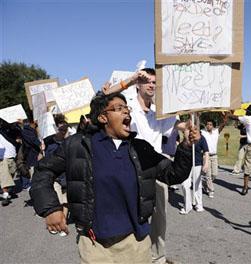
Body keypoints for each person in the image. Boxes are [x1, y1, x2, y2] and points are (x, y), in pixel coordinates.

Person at [30, 92, 199, 263]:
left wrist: (186, 146)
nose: (127, 112)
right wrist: (50, 209)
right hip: (94, 245)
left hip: (136, 244)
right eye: (120, 108)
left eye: (127, 108)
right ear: (103, 117)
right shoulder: (77, 145)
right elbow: (43, 172)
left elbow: (173, 174)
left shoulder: (141, 148)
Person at [103, 68, 185, 264]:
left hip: (156, 167)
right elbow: (106, 97)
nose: (151, 85)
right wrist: (131, 78)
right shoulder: (127, 106)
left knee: (160, 217)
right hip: (129, 167)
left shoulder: (160, 111)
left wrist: (189, 125)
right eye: (147, 81)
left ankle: (157, 256)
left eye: (155, 82)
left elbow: (177, 126)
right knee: (130, 213)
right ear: (139, 85)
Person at [180, 130, 209, 214]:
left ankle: (198, 204)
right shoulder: (186, 138)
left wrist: (206, 163)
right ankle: (187, 206)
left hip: (197, 164)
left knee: (197, 185)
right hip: (186, 164)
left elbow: (206, 151)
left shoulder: (201, 138)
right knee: (185, 184)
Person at [200, 115, 227, 198]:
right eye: (207, 124)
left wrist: (225, 116)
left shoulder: (216, 132)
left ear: (213, 125)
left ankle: (204, 183)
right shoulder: (202, 132)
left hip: (214, 156)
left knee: (214, 174)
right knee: (208, 175)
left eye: (210, 124)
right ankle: (211, 190)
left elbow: (223, 124)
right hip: (206, 156)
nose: (208, 126)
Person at [0, 119, 20, 206]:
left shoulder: (8, 130)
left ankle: (8, 191)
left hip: (12, 155)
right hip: (2, 157)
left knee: (11, 173)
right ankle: (5, 195)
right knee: (4, 175)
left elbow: (17, 137)